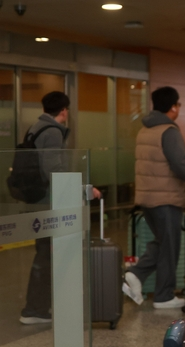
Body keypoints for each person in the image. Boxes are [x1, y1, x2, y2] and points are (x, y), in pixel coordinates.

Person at [18, 92, 101, 324]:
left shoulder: (35, 127)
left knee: (45, 253)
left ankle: (39, 306)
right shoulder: (53, 131)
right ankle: (35, 309)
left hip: (37, 199)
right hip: (49, 202)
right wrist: (79, 189)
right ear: (64, 110)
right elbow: (55, 170)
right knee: (47, 254)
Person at [123, 86, 185, 309]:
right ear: (173, 107)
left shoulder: (144, 130)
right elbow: (180, 165)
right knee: (170, 246)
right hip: (165, 198)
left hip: (146, 197)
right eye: (178, 104)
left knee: (162, 242)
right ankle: (163, 295)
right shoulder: (168, 131)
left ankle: (137, 274)